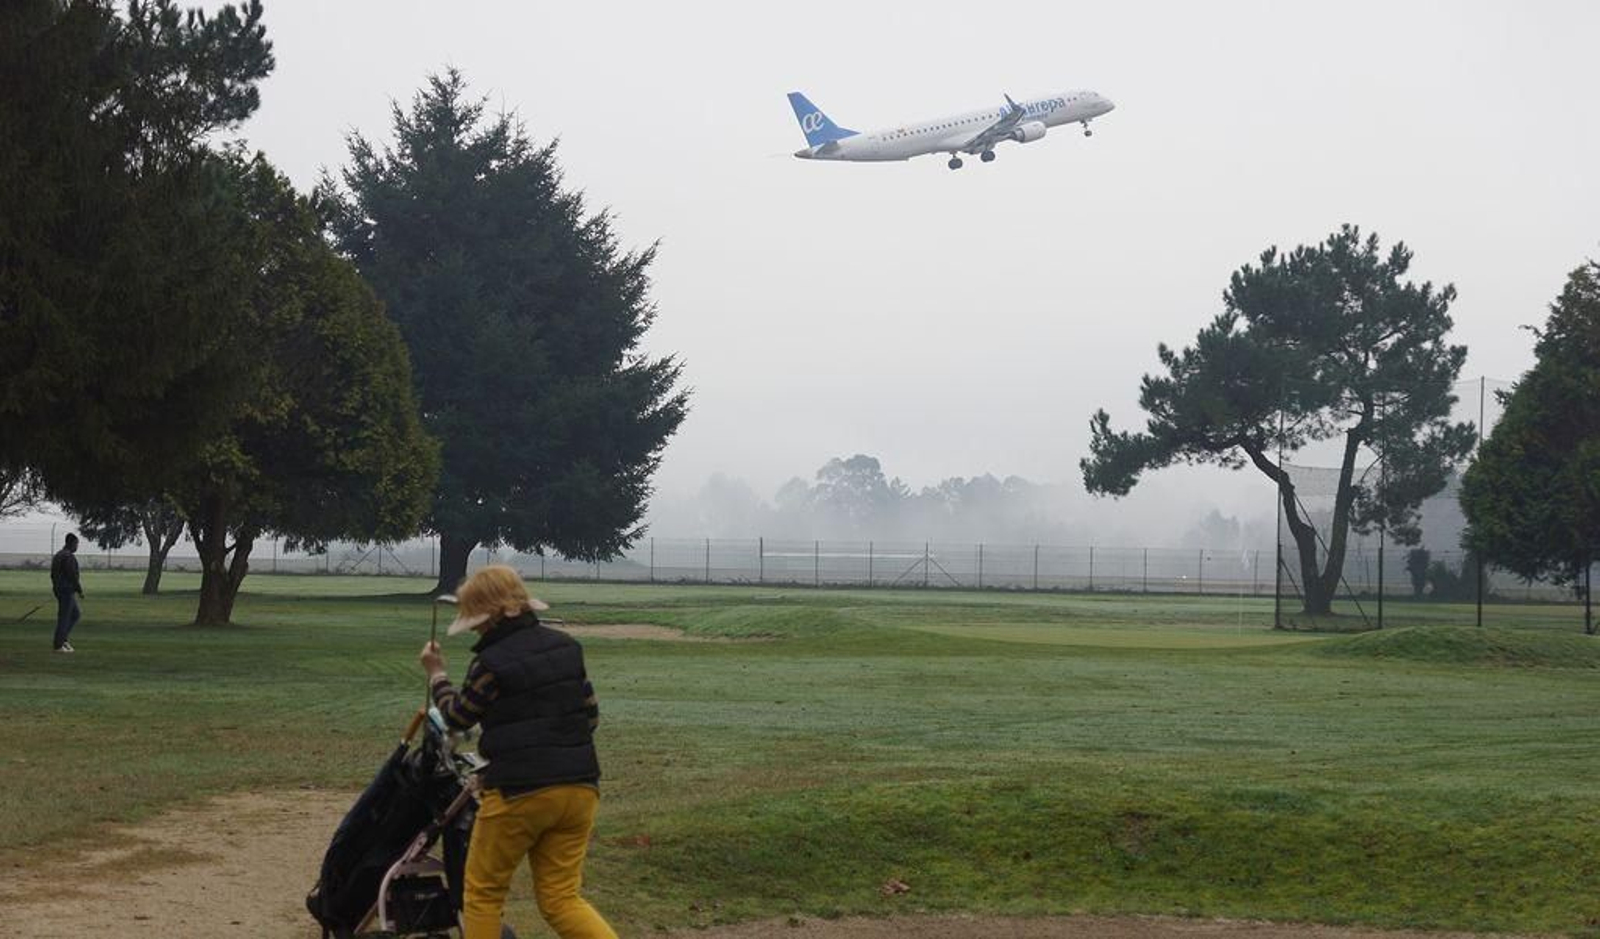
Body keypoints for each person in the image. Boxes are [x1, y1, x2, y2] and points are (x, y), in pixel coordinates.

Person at [419, 565, 617, 939]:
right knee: (562, 899)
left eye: (475, 620)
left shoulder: (490, 664)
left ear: (489, 617)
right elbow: (589, 718)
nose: (474, 628)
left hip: (517, 792)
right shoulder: (567, 648)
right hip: (580, 789)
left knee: (482, 896)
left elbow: (458, 718)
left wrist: (437, 675)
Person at [50, 532, 83, 652]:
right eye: (77, 544)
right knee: (64, 616)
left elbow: (53, 574)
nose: (77, 546)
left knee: (75, 614)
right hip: (66, 590)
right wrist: (79, 590)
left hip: (60, 589)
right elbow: (72, 575)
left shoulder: (59, 555)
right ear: (72, 543)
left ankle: (63, 639)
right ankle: (58, 644)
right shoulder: (68, 557)